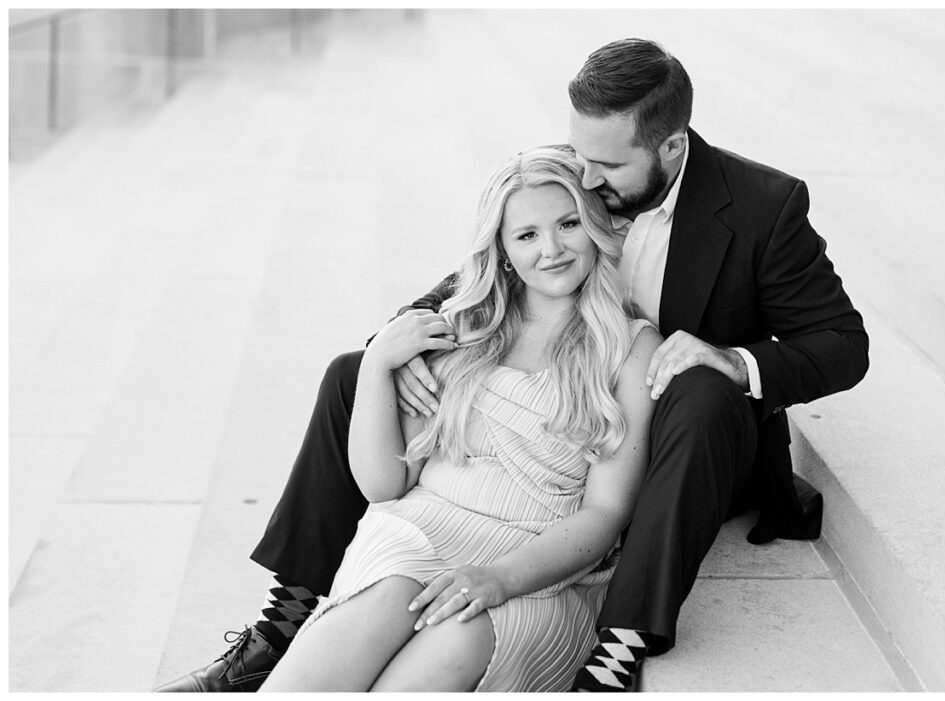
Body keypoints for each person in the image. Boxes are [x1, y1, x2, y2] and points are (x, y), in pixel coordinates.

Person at [155, 37, 868, 693]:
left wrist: (733, 357)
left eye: (606, 167)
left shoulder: (764, 207)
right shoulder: (579, 176)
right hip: (527, 431)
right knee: (354, 368)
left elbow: (842, 343)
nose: (585, 178)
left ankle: (621, 640)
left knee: (703, 390)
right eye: (578, 157)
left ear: (672, 148)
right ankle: (289, 616)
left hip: (679, 439)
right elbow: (492, 264)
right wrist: (392, 349)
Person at [253, 146, 657, 691]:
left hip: (534, 567)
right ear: (504, 252)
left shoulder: (628, 348)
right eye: (528, 235)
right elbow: (384, 484)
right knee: (323, 665)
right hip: (418, 532)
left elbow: (606, 513)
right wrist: (377, 366)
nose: (553, 249)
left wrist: (497, 579)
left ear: (594, 225)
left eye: (568, 224)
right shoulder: (464, 328)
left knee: (441, 658)